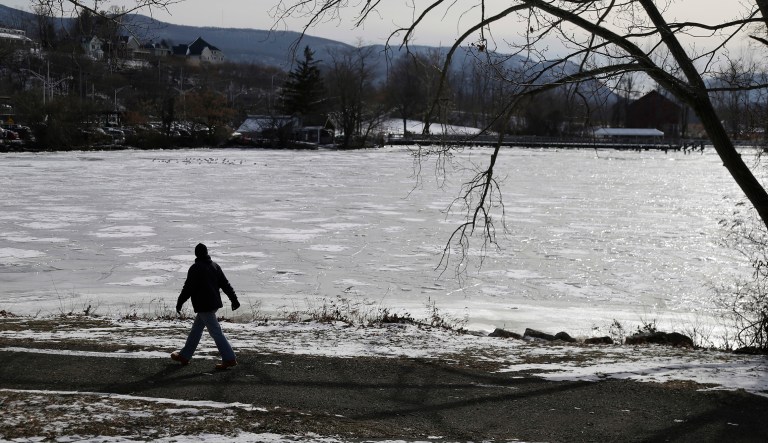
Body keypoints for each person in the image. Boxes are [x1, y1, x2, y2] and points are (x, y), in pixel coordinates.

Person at [171, 243, 241, 370]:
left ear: (196, 254)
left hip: (204, 305)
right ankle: (184, 356)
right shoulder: (215, 266)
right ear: (206, 252)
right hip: (213, 304)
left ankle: (229, 358)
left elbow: (188, 288)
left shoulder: (195, 268)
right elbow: (225, 284)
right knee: (196, 330)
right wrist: (234, 299)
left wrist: (180, 302)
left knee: (216, 332)